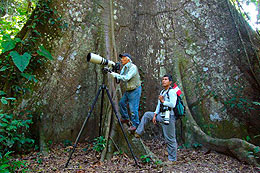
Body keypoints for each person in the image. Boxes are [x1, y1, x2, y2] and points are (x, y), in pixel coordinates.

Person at [135, 74, 178, 162]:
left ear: (170, 82)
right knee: (147, 115)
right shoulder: (162, 92)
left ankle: (172, 159)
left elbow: (173, 104)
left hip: (169, 117)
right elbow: (159, 105)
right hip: (161, 115)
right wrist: (154, 114)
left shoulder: (172, 92)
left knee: (170, 139)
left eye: (166, 79)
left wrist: (163, 101)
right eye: (163, 79)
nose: (163, 81)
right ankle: (138, 132)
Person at [109, 53, 142, 132]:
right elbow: (121, 76)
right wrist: (113, 70)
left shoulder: (133, 67)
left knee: (133, 108)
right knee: (121, 103)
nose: (121, 60)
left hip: (135, 90)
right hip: (129, 90)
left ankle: (135, 125)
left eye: (123, 58)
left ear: (128, 59)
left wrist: (115, 75)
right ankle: (125, 118)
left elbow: (126, 78)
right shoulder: (124, 68)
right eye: (121, 58)